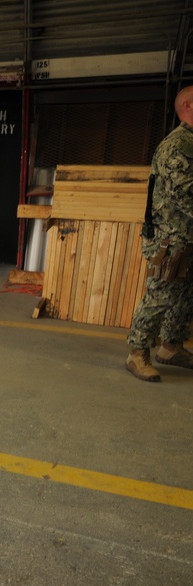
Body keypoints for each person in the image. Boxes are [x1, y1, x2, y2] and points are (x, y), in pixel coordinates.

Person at [125, 86, 193, 382]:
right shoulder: (177, 145)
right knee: (161, 294)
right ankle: (136, 352)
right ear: (188, 106)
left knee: (186, 294)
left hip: (187, 235)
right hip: (170, 236)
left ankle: (171, 346)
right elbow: (185, 193)